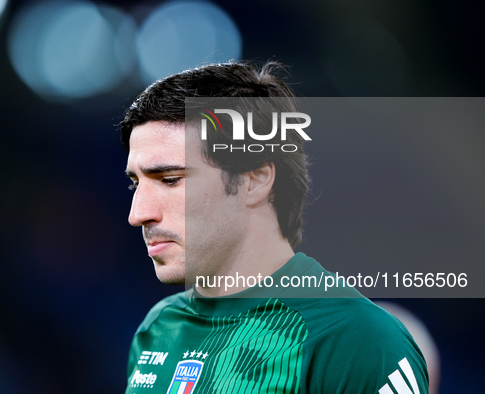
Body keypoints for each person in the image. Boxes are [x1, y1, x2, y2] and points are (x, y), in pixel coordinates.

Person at [121, 62, 428, 393]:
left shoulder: (357, 340)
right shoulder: (157, 330)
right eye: (134, 183)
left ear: (255, 179)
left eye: (170, 180)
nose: (137, 214)